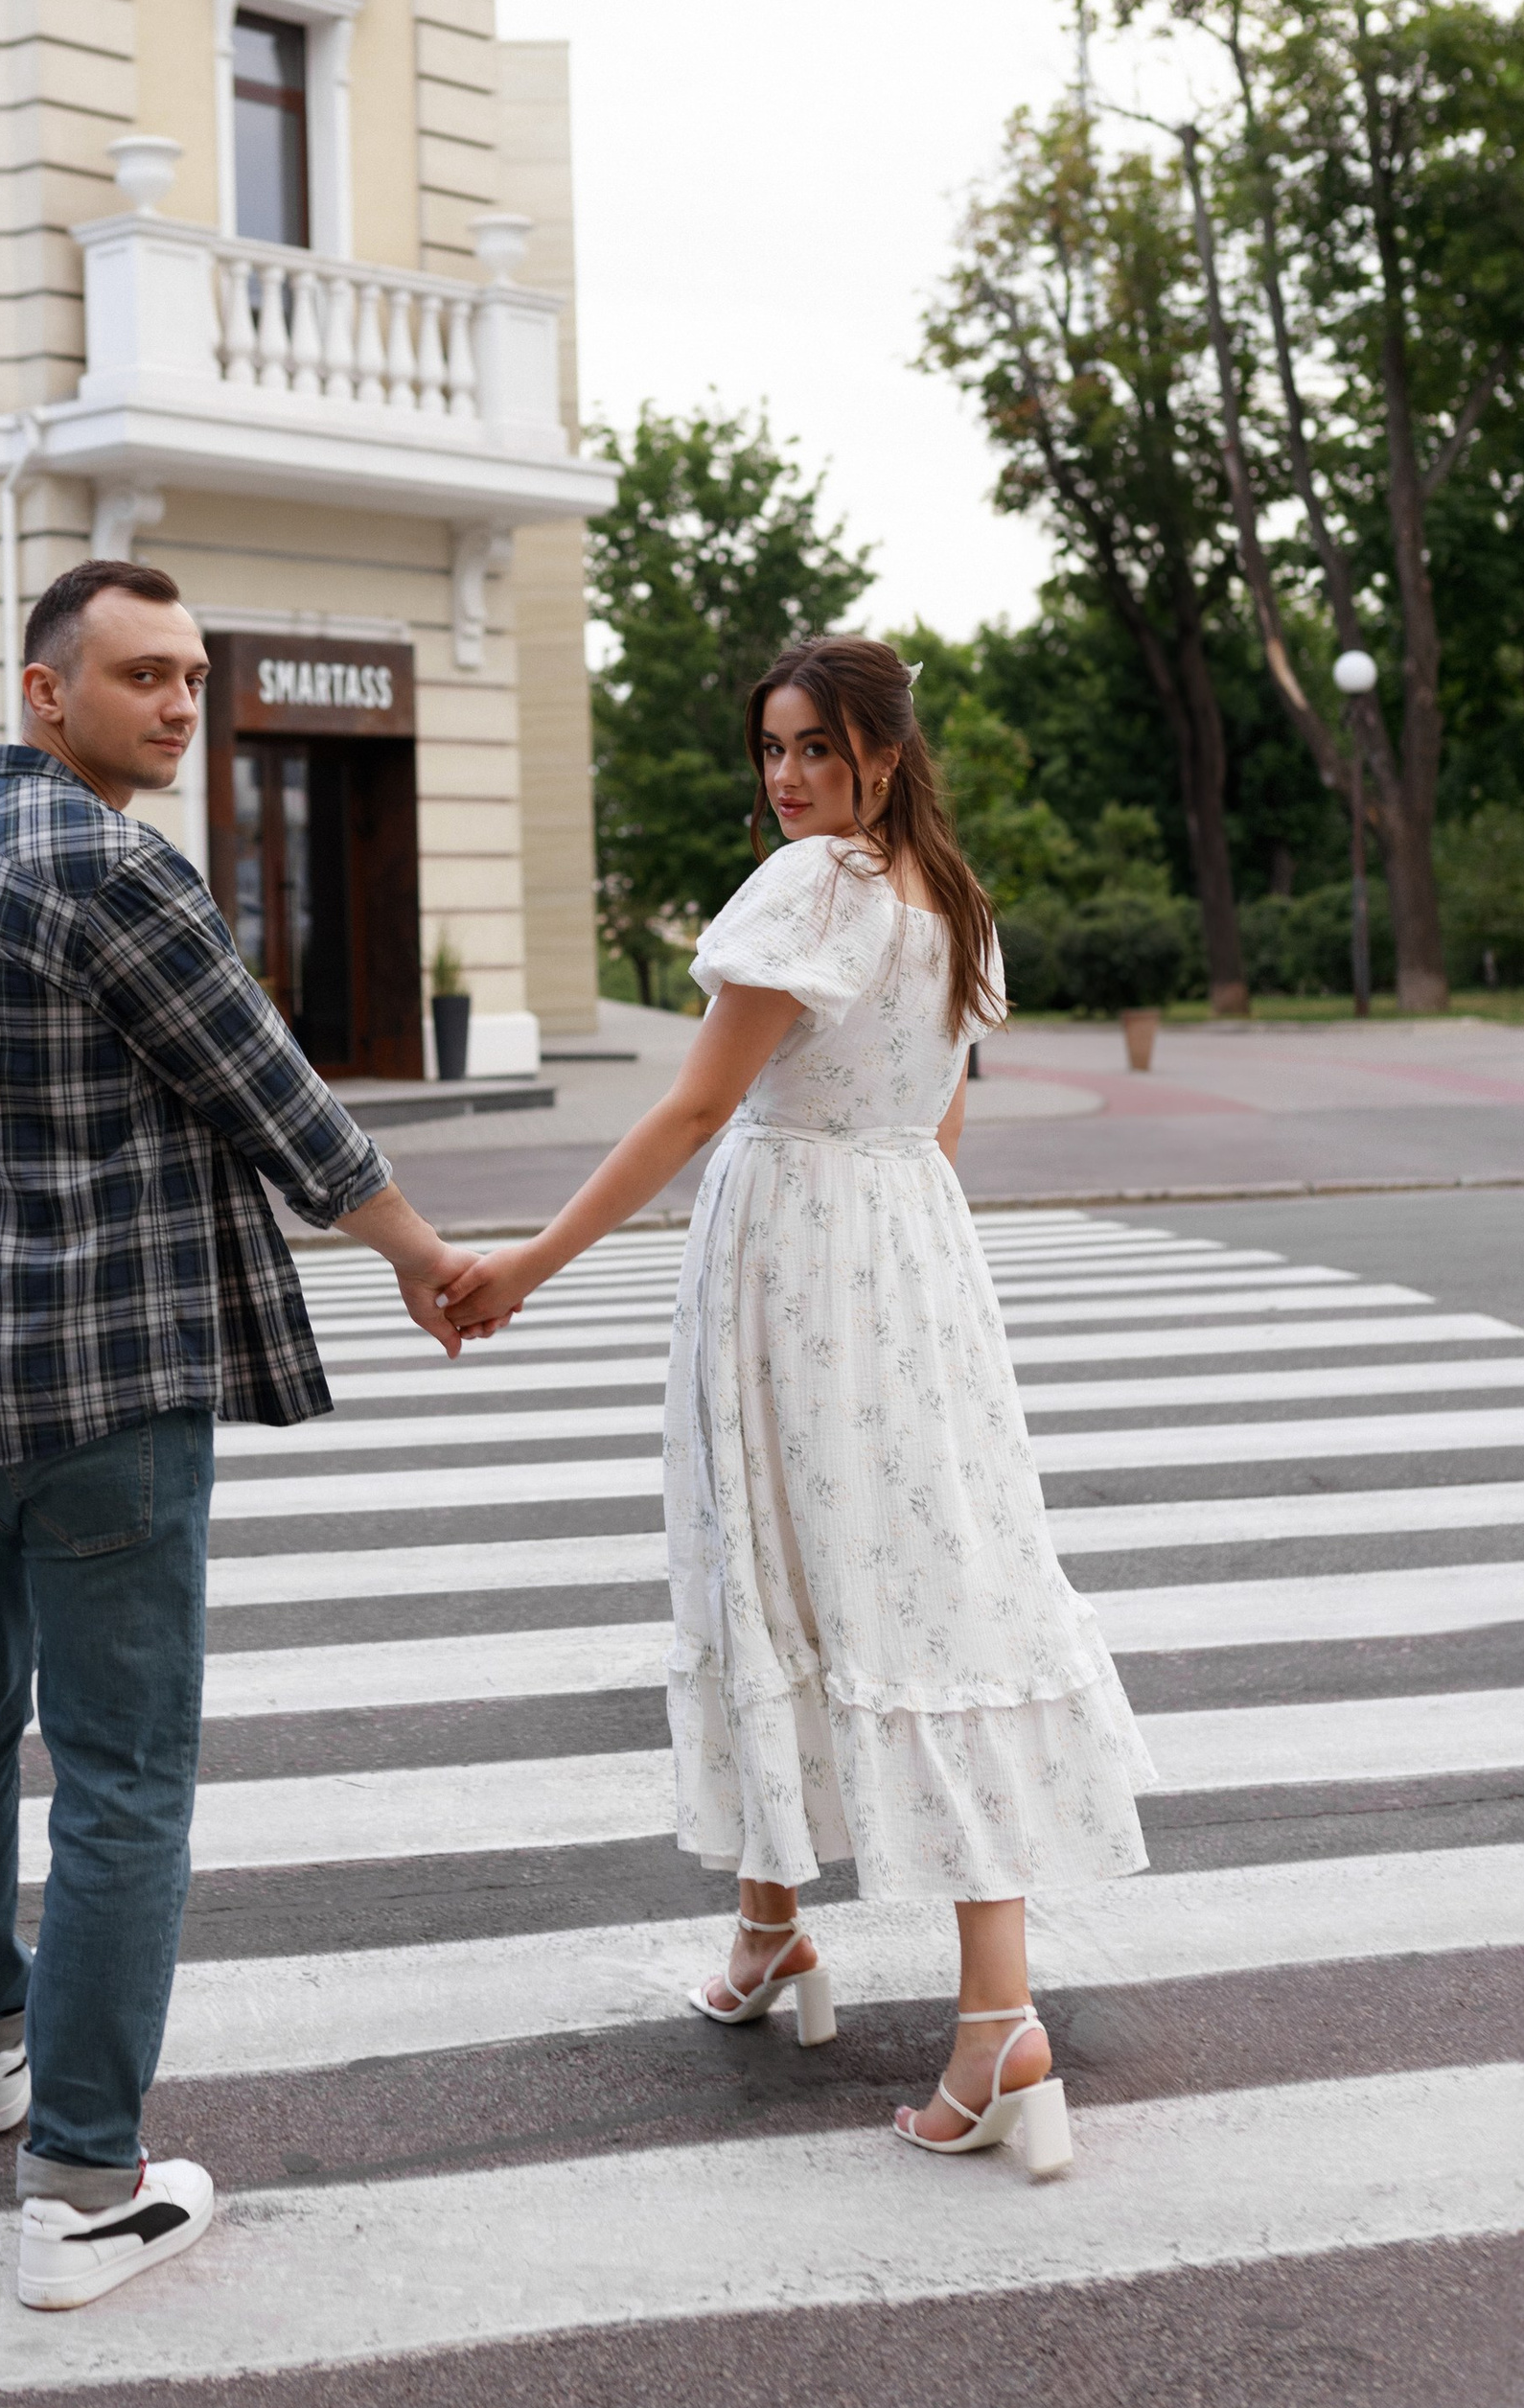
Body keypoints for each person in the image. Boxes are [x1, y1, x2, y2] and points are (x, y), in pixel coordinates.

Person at [0, 556, 468, 2308]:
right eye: (141, 676)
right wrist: (426, 1260)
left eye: (190, 675)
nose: (180, 704)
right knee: (122, 1775)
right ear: (47, 692)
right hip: (96, 1388)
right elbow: (273, 1095)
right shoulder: (114, 866)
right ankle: (84, 2188)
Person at [444, 633, 1153, 2174]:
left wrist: (530, 1263)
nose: (786, 777)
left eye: (817, 748)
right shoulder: (951, 900)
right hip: (911, 1264)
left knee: (808, 1581)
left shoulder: (814, 890)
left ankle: (993, 2018)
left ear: (884, 756)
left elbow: (699, 1105)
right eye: (772, 749)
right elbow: (940, 1126)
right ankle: (783, 1932)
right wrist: (904, 1285)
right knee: (917, 1584)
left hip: (793, 1263)